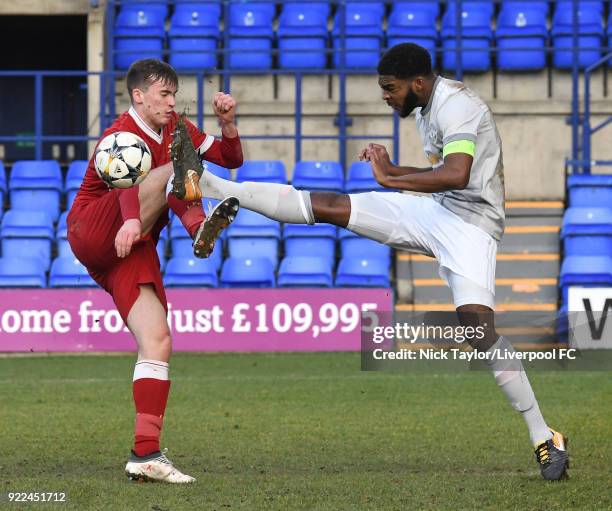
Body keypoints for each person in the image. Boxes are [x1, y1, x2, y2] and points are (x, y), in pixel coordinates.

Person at [194, 43, 569, 481]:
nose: (386, 96)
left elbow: (459, 173)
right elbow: (445, 177)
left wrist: (392, 176)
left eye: (390, 88)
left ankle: (545, 436)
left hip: (473, 227)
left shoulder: (458, 107)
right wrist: (393, 170)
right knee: (335, 205)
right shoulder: (428, 107)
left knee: (477, 329)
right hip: (438, 211)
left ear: (418, 82)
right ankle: (212, 184)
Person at [67, 58, 243, 483]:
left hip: (132, 244)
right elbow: (123, 180)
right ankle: (199, 226)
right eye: (164, 94)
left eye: (174, 94)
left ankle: (145, 453)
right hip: (97, 226)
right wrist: (130, 221)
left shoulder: (178, 127)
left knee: (158, 339)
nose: (171, 101)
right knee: (176, 165)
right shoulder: (120, 132)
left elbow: (229, 158)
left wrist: (228, 123)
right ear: (139, 96)